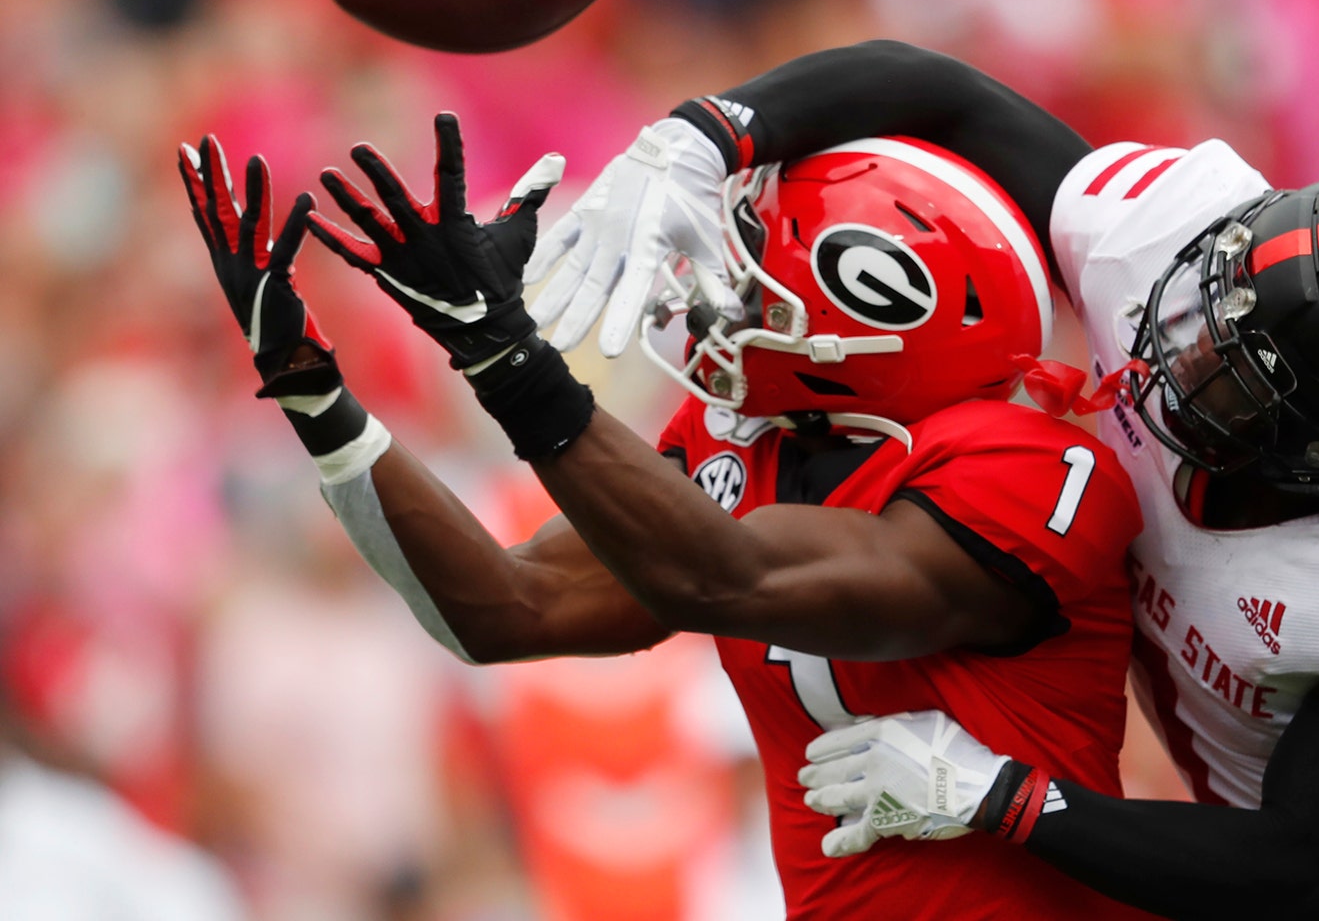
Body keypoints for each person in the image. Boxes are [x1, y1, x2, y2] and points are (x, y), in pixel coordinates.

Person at [530, 40, 1319, 919]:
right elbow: (932, 86)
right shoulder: (1171, 243)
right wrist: (713, 132)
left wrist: (1001, 798)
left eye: (1237, 375)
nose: (1172, 354)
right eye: (1211, 311)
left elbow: (1292, 873)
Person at [175, 119, 1150, 921]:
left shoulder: (1030, 467)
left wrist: (503, 355)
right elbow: (508, 607)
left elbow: (729, 578)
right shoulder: (745, 441)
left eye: (760, 264)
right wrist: (314, 393)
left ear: (884, 305)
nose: (717, 297)